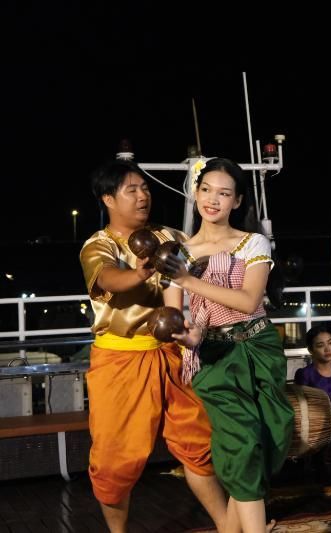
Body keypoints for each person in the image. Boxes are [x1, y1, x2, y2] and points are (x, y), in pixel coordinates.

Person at [79, 159, 227, 533]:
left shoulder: (168, 235)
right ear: (108, 198)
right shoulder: (99, 245)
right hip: (121, 360)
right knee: (116, 458)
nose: (143, 195)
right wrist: (142, 272)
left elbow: (206, 253)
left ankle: (229, 526)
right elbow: (109, 279)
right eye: (132, 189)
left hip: (172, 351)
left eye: (145, 188)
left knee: (199, 443)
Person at [167, 157, 295, 533]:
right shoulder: (180, 254)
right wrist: (187, 336)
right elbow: (175, 317)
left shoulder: (252, 241)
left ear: (237, 201)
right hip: (215, 356)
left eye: (224, 193)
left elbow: (248, 300)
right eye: (206, 190)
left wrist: (187, 281)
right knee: (241, 442)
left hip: (259, 346)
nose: (213, 199)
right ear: (195, 193)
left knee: (272, 435)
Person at [294, 325, 331, 480]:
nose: (327, 348)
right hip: (318, 438)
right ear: (311, 350)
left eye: (330, 343)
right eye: (320, 345)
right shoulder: (305, 375)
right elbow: (303, 410)